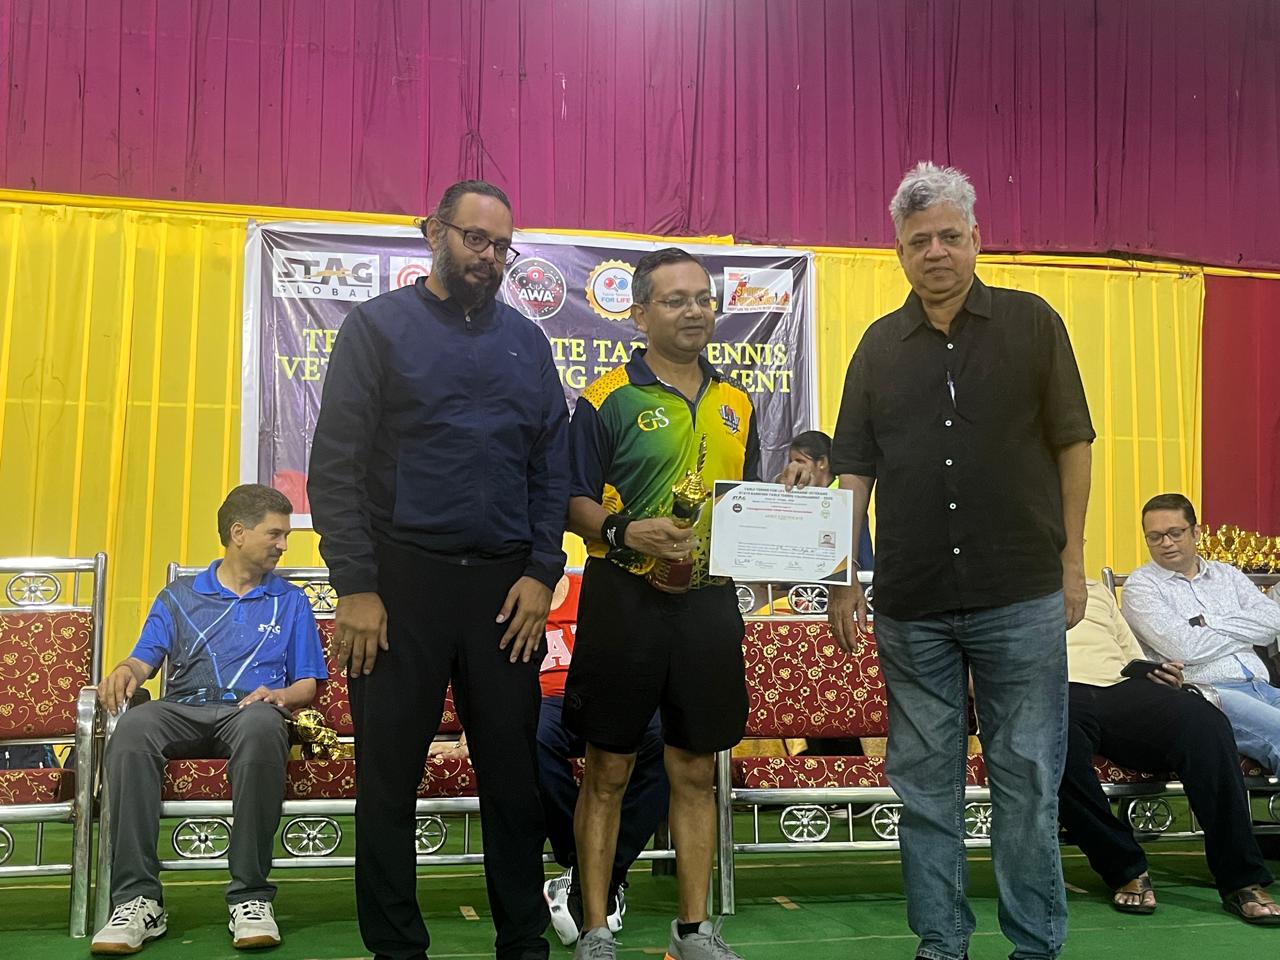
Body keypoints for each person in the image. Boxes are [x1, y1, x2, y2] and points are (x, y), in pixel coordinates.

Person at [785, 162, 1095, 960]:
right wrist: (842, 576)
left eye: (949, 236)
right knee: (924, 787)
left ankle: (1036, 945)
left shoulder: (1032, 323)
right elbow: (854, 470)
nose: (936, 252)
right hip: (911, 604)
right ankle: (942, 943)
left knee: (1028, 780)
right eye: (919, 241)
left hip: (1021, 593)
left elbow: (1074, 442)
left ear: (976, 239)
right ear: (898, 251)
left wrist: (1073, 562)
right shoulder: (877, 348)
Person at [308, 179, 570, 960]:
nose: (488, 256)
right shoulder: (377, 329)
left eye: (501, 245)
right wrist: (356, 586)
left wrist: (542, 572)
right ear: (434, 233)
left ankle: (523, 943)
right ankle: (397, 950)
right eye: (474, 238)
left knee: (514, 780)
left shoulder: (528, 344)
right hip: (398, 589)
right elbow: (336, 467)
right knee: (388, 779)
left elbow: (550, 470)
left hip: (505, 594)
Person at [564, 247, 759, 960]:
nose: (694, 311)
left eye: (703, 298)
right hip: (624, 599)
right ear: (641, 313)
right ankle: (594, 929)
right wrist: (624, 530)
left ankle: (694, 929)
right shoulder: (606, 397)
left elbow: (748, 503)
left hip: (708, 604)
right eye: (675, 300)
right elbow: (569, 498)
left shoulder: (739, 401)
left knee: (696, 770)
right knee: (608, 770)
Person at [90, 485, 326, 955]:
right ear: (238, 533)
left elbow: (307, 685)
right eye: (275, 534)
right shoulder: (178, 597)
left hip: (250, 712)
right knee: (133, 728)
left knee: (263, 727)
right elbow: (143, 660)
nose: (283, 545)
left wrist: (278, 695)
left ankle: (251, 897)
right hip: (183, 709)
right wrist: (124, 670)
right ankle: (137, 900)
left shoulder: (291, 601)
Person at [1058, 579, 1278, 924]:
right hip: (1053, 689)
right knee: (1052, 740)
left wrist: (1157, 675)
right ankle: (1124, 866)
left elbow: (1130, 656)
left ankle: (1242, 877)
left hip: (1120, 687)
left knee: (1204, 722)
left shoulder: (1093, 589)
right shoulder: (1010, 588)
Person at [537, 572, 669, 946]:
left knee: (667, 741)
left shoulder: (591, 590)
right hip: (544, 701)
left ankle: (592, 876)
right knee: (531, 739)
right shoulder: (512, 598)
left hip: (605, 696)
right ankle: (585, 864)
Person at [1121, 493, 1280, 772]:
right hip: (1207, 694)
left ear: (1195, 532)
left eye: (1175, 533)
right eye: (1155, 537)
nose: (1166, 543)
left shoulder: (1226, 574)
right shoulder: (1141, 586)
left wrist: (1208, 622)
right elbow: (1186, 649)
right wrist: (1248, 632)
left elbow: (1273, 620)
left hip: (1262, 686)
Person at [784, 430, 874, 570]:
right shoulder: (797, 496)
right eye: (791, 463)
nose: (794, 469)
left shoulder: (845, 498)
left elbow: (863, 558)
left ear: (822, 462)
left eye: (800, 462)